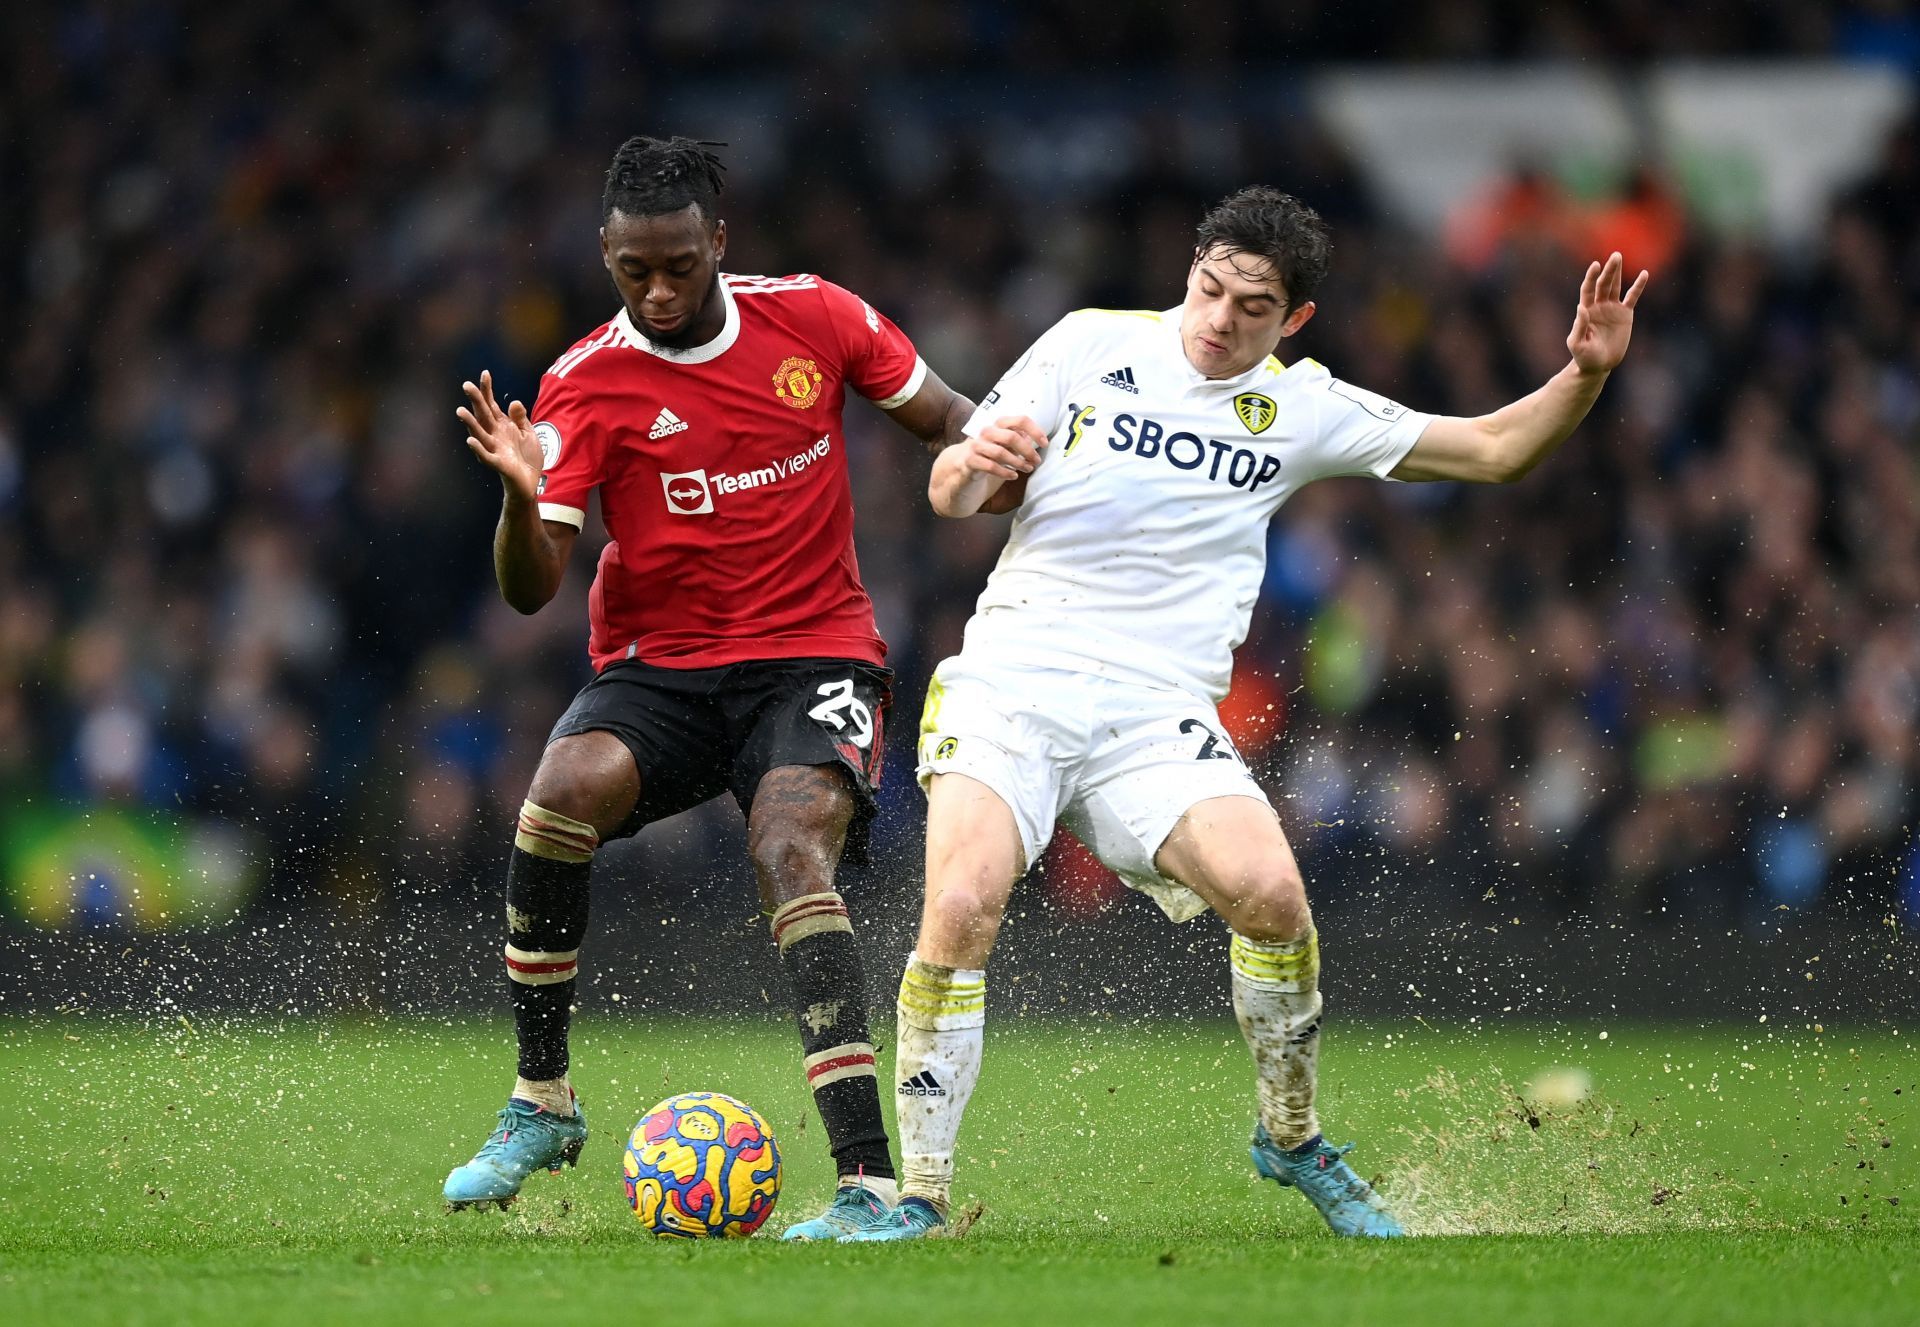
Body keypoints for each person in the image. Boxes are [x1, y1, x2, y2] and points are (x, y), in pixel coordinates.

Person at [847, 187, 1648, 1241]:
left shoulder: (1302, 408)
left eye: (1253, 306)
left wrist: (1583, 375)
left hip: (1155, 710)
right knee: (959, 905)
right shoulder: (1089, 344)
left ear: (1295, 319)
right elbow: (954, 483)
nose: (1220, 319)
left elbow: (1496, 450)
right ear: (1192, 269)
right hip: (1016, 679)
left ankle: (1292, 1135)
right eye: (1210, 287)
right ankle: (921, 1197)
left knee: (1273, 896)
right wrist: (966, 471)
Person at [442, 136, 1017, 1242]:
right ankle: (541, 1102)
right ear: (606, 255)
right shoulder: (585, 381)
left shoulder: (818, 318)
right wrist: (520, 500)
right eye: (631, 271)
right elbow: (530, 591)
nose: (656, 292)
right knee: (561, 788)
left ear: (718, 242)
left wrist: (1012, 455)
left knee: (786, 846)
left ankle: (862, 1181)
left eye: (677, 267)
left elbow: (950, 420)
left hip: (816, 656)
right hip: (663, 670)